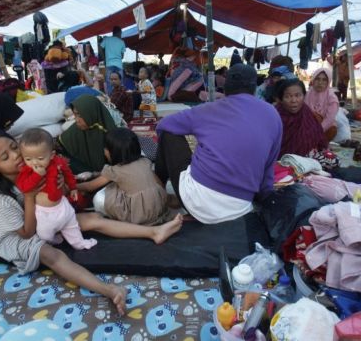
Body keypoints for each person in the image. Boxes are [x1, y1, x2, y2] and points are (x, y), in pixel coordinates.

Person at [0, 130, 184, 315]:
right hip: (20, 236)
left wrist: (60, 186)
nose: (16, 155)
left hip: (45, 218)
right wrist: (31, 196)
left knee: (93, 219)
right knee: (52, 255)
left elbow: (54, 197)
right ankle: (109, 290)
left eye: (15, 147)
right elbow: (26, 232)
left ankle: (154, 232)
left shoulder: (33, 164)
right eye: (5, 156)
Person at [155, 64, 282, 224]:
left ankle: (156, 193)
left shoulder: (208, 109)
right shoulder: (272, 114)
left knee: (169, 134)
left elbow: (163, 125)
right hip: (241, 207)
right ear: (254, 89)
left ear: (225, 88)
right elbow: (268, 168)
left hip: (198, 201)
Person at [16, 128, 96, 249]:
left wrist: (73, 187)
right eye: (28, 159)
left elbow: (68, 173)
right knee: (44, 235)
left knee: (72, 225)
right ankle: (53, 240)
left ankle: (79, 243)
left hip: (62, 205)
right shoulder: (27, 171)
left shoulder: (58, 162)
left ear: (52, 155)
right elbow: (24, 187)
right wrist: (37, 175)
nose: (34, 163)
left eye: (40, 158)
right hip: (44, 213)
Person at [78, 128, 175, 225]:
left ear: (109, 152)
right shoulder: (145, 161)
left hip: (138, 215)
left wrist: (72, 186)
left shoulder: (114, 170)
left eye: (105, 148)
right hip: (158, 208)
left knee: (99, 198)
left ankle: (115, 219)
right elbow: (158, 183)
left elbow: (90, 186)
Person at [58, 95, 117, 174]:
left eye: (80, 115)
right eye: (75, 115)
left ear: (91, 113)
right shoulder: (72, 133)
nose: (76, 120)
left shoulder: (110, 133)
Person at [274, 78, 328, 157]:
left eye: (298, 95)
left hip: (309, 163)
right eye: (288, 96)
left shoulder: (307, 112)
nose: (293, 100)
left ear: (303, 96)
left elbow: (319, 137)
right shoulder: (274, 116)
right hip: (280, 164)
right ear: (281, 99)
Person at [305, 67, 340, 142]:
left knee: (332, 129)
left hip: (325, 128)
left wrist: (317, 131)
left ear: (328, 82)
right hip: (307, 126)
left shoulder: (332, 98)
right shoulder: (307, 94)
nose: (320, 82)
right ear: (313, 80)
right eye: (317, 79)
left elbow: (329, 119)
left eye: (324, 80)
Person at [101, 26, 126, 94]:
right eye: (121, 33)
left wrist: (104, 57)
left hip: (109, 64)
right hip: (119, 64)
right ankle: (120, 96)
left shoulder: (107, 39)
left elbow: (101, 48)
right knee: (119, 82)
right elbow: (122, 56)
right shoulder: (122, 42)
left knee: (110, 82)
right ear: (119, 33)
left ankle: (110, 98)